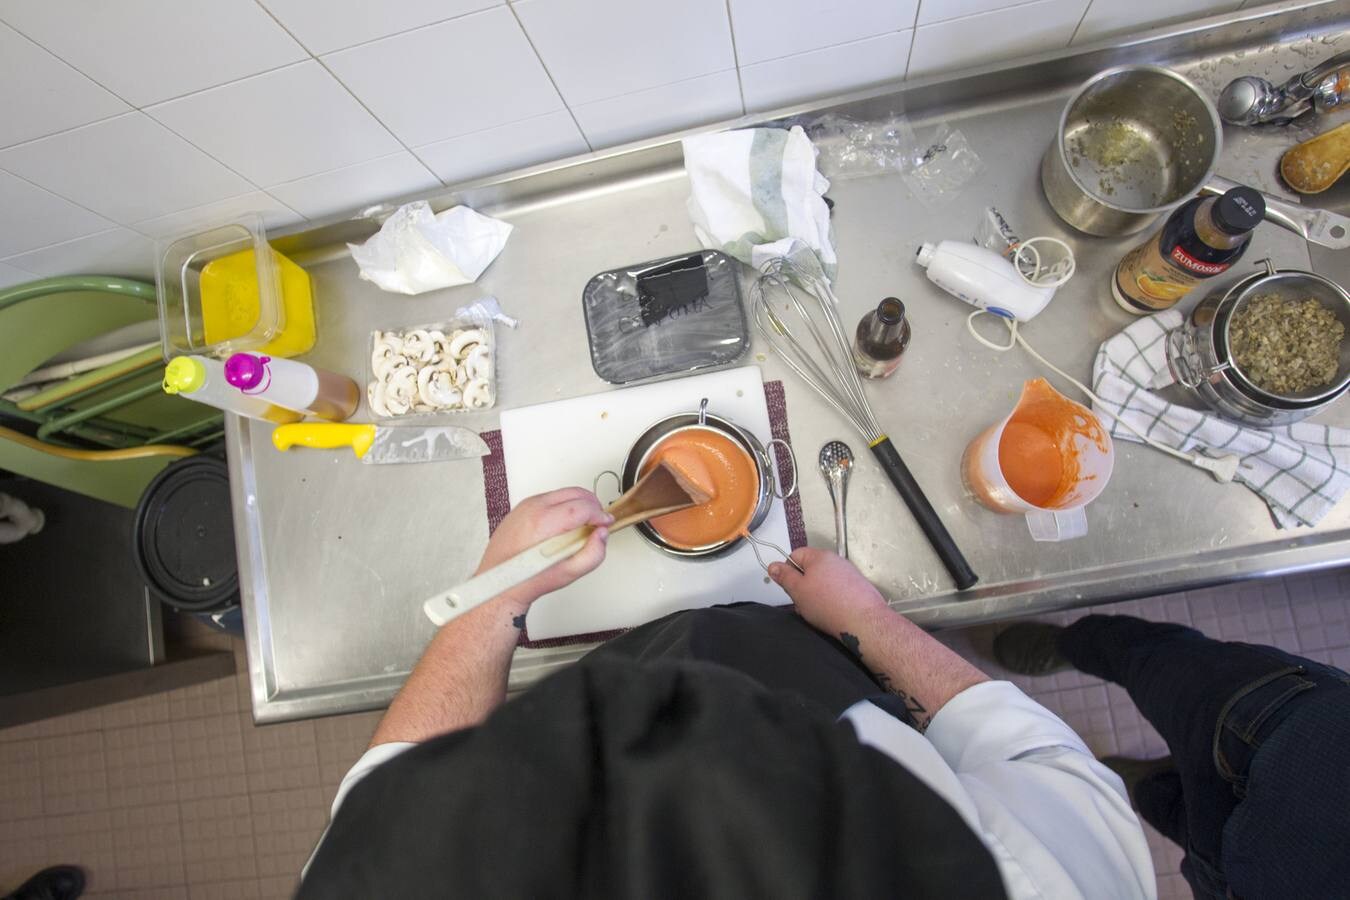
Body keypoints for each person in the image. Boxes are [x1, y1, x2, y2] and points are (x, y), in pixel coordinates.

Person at [302, 488, 1155, 899]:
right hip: (822, 672)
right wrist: (866, 623)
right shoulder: (1051, 885)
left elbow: (391, 785)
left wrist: (497, 596)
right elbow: (1016, 744)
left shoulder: (400, 873)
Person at [993, 614, 1350, 899]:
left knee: (1166, 808)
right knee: (1155, 662)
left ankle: (1148, 782)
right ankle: (1070, 644)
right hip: (1292, 731)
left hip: (1234, 876)